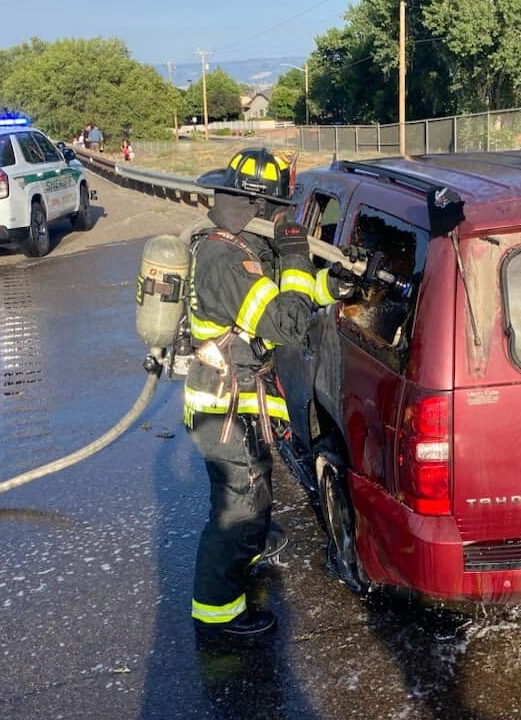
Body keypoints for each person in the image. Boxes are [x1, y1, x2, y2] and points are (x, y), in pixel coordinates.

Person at [187, 148, 356, 639]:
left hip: (239, 398)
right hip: (223, 405)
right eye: (279, 208)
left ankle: (249, 548)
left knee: (253, 491)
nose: (284, 217)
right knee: (238, 505)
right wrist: (298, 252)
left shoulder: (240, 246)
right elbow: (286, 322)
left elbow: (286, 294)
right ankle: (218, 614)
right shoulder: (224, 258)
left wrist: (331, 283)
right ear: (258, 207)